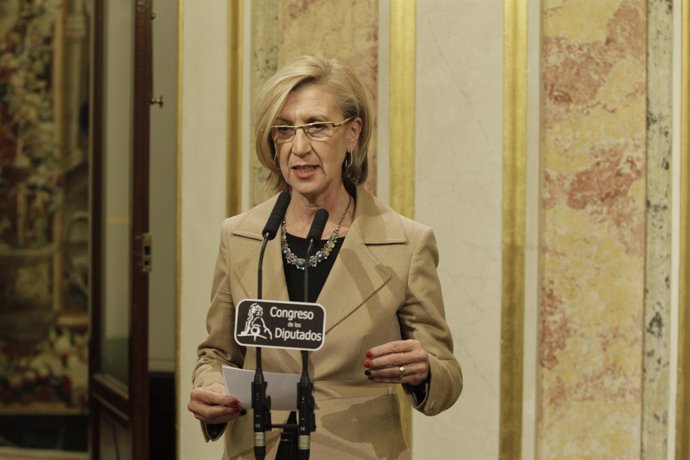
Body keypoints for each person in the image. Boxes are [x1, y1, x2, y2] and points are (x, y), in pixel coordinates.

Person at [187, 54, 462, 459]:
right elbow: (217, 353)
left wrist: (423, 372)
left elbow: (447, 374)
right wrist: (211, 390)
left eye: (317, 127)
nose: (299, 148)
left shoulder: (407, 243)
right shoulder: (242, 235)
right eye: (284, 130)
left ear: (352, 133)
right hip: (260, 448)